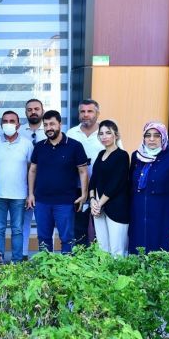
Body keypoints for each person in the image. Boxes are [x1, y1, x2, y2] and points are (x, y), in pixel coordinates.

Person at [27, 110, 88, 254]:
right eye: (46, 125)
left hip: (65, 201)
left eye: (52, 124)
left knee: (67, 238)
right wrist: (31, 194)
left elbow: (83, 171)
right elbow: (32, 170)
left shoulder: (75, 146)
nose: (49, 128)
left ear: (60, 124)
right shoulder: (39, 146)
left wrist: (84, 194)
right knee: (43, 238)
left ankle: (66, 266)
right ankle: (46, 266)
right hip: (42, 201)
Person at [128, 122, 169, 254]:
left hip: (164, 213)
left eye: (156, 135)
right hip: (138, 212)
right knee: (138, 248)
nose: (152, 139)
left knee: (161, 249)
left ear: (163, 137)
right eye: (148, 135)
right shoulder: (136, 156)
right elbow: (131, 186)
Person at [0, 110, 32, 263]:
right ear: (1, 124)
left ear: (18, 125)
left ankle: (17, 262)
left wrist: (30, 193)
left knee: (17, 230)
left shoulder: (27, 144)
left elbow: (32, 170)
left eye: (12, 121)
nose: (8, 124)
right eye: (5, 121)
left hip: (20, 195)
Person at [88, 120, 130, 257]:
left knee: (117, 250)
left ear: (116, 135)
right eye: (101, 133)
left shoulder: (122, 155)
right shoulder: (101, 154)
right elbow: (93, 179)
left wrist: (99, 204)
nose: (104, 136)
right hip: (99, 207)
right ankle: (104, 272)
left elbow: (115, 183)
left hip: (117, 208)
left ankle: (118, 272)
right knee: (103, 248)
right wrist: (92, 200)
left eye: (108, 133)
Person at [66, 99, 103, 247]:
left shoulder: (106, 132)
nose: (86, 114)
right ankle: (80, 255)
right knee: (78, 226)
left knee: (100, 226)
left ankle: (100, 256)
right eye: (82, 111)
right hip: (77, 188)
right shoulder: (71, 133)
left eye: (90, 111)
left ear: (97, 113)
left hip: (101, 188)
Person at [20, 98, 45, 259]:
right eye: (29, 110)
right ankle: (22, 254)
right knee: (24, 222)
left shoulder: (49, 130)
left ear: (42, 111)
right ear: (26, 112)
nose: (33, 112)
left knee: (45, 221)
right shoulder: (19, 131)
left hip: (44, 183)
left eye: (36, 109)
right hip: (24, 183)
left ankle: (46, 255)